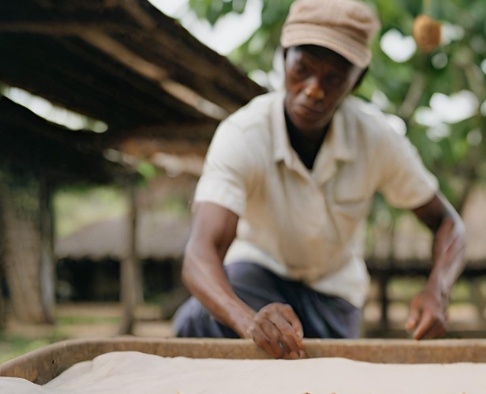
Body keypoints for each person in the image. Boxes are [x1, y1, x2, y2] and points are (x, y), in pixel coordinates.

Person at [173, 0, 466, 359]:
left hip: (334, 293)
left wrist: (437, 291)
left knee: (328, 381)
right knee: (196, 320)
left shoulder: (376, 138)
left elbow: (447, 223)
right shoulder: (244, 134)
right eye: (303, 69)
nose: (313, 89)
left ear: (355, 81)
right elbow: (200, 255)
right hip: (258, 277)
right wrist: (249, 322)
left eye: (333, 78)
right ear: (283, 59)